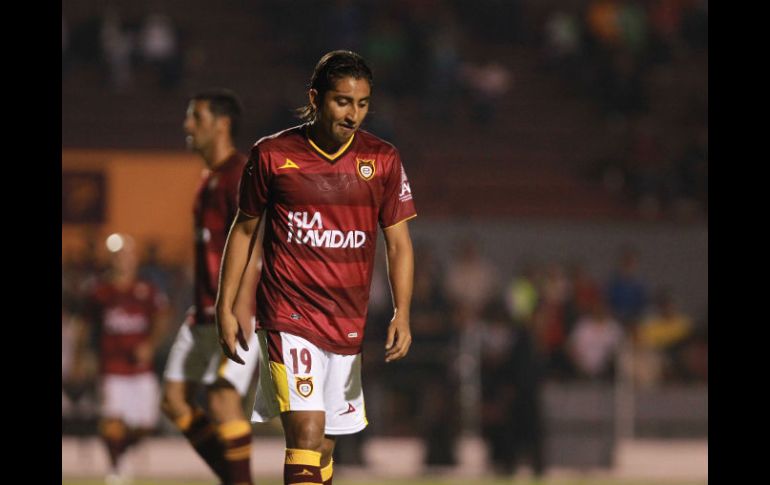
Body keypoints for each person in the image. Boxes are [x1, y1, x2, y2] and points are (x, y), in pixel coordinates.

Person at [216, 50, 417, 485]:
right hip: (289, 314)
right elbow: (245, 230)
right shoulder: (273, 155)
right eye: (343, 101)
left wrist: (403, 310)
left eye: (362, 104)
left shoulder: (382, 159)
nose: (353, 114)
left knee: (325, 445)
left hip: (347, 321)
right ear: (316, 97)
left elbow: (398, 242)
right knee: (305, 433)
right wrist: (225, 305)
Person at [160, 89, 261, 485]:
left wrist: (242, 305)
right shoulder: (209, 179)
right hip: (201, 310)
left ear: (222, 124)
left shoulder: (238, 173)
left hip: (231, 311)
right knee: (174, 401)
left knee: (222, 398)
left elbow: (253, 238)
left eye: (196, 118)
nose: (187, 126)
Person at [81, 234, 169, 485]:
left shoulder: (146, 290)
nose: (123, 261)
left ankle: (123, 452)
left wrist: (150, 345)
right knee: (112, 422)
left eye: (127, 256)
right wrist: (83, 357)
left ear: (134, 260)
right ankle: (116, 468)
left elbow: (162, 317)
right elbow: (87, 327)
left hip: (141, 369)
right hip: (112, 367)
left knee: (145, 426)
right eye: (118, 256)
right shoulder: (100, 292)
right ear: (112, 260)